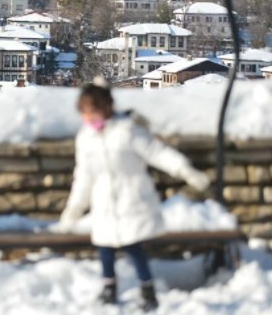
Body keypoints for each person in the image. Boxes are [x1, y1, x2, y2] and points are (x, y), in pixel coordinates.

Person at [59, 80, 210, 311]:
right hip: (105, 201)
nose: (88, 118)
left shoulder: (127, 130)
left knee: (132, 247)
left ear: (105, 108)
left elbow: (157, 153)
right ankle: (109, 287)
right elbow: (84, 177)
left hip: (132, 199)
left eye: (92, 111)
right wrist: (73, 211)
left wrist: (185, 170)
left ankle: (147, 289)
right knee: (105, 247)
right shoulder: (86, 138)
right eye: (84, 113)